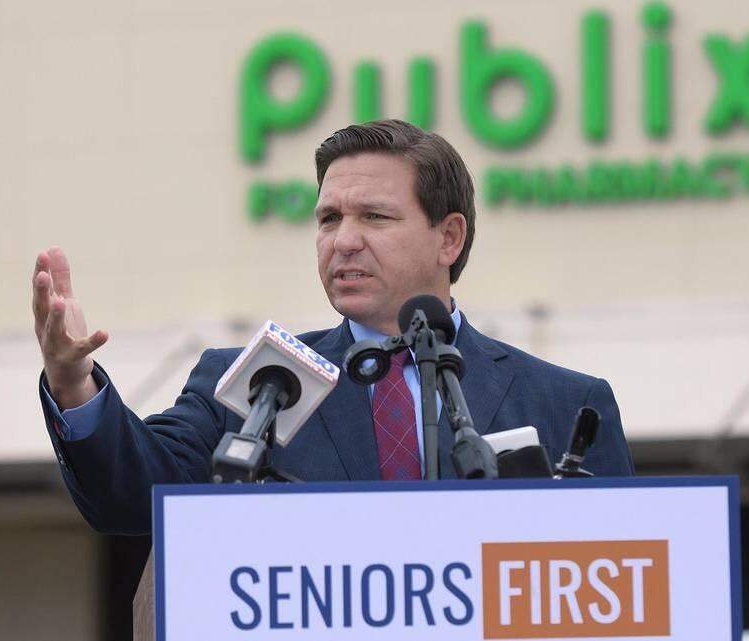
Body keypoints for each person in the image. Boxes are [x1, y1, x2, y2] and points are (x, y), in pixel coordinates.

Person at [33, 120, 634, 535]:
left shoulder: (565, 403)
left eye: (374, 216)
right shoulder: (257, 384)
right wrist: (73, 382)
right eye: (328, 219)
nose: (343, 241)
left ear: (448, 237)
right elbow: (135, 493)